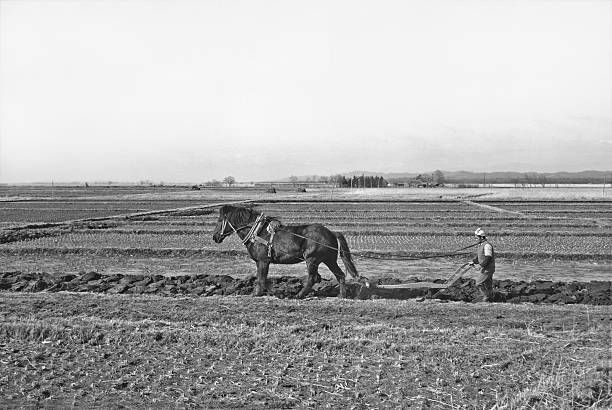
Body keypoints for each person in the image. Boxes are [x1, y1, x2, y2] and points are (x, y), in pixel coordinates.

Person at [469, 228, 495, 302]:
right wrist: (473, 262)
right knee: (488, 284)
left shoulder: (487, 245)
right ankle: (491, 297)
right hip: (486, 268)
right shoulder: (481, 245)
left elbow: (488, 257)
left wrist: (481, 266)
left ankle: (486, 297)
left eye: (477, 237)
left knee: (478, 283)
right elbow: (480, 256)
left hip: (488, 269)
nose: (476, 239)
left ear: (481, 237)